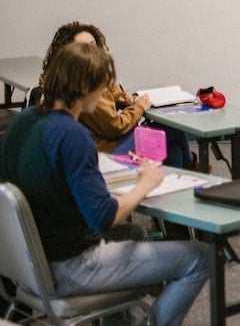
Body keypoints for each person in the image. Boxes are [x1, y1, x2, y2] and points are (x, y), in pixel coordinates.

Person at [0, 42, 211, 326]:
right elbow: (103, 216)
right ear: (86, 87)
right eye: (101, 87)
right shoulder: (72, 135)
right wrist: (144, 184)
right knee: (201, 258)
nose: (103, 93)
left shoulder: (23, 122)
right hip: (69, 267)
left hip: (26, 263)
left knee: (134, 233)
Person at [40, 22, 196, 170]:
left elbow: (110, 88)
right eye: (85, 47)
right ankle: (193, 164)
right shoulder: (84, 86)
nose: (91, 52)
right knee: (169, 128)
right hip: (107, 150)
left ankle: (177, 181)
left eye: (93, 46)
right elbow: (115, 127)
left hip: (109, 143)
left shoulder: (71, 77)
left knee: (173, 150)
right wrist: (138, 107)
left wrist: (121, 97)